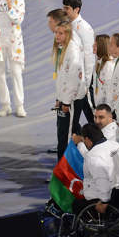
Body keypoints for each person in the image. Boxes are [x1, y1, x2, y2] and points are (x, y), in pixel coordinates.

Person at [72, 122, 119, 215]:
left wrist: (104, 201)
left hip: (101, 198)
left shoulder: (93, 155)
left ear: (87, 139)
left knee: (75, 204)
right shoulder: (116, 145)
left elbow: (102, 179)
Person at [52, 21, 85, 160]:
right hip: (65, 99)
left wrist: (65, 102)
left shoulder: (72, 51)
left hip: (71, 101)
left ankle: (65, 175)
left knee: (66, 138)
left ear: (68, 34)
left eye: (61, 33)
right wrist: (60, 99)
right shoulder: (62, 48)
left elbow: (72, 80)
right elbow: (62, 78)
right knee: (61, 135)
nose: (57, 36)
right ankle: (63, 172)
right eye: (56, 32)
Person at [63, 0, 95, 125]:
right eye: (63, 7)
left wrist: (86, 82)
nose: (64, 10)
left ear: (77, 9)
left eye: (67, 8)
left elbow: (88, 55)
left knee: (89, 112)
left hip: (82, 79)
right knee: (80, 110)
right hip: (74, 75)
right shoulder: (69, 26)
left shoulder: (83, 28)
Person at [92, 34, 114, 107]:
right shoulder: (99, 63)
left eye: (95, 45)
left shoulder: (108, 65)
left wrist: (106, 108)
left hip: (105, 107)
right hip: (99, 104)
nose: (93, 46)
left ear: (101, 47)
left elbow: (108, 90)